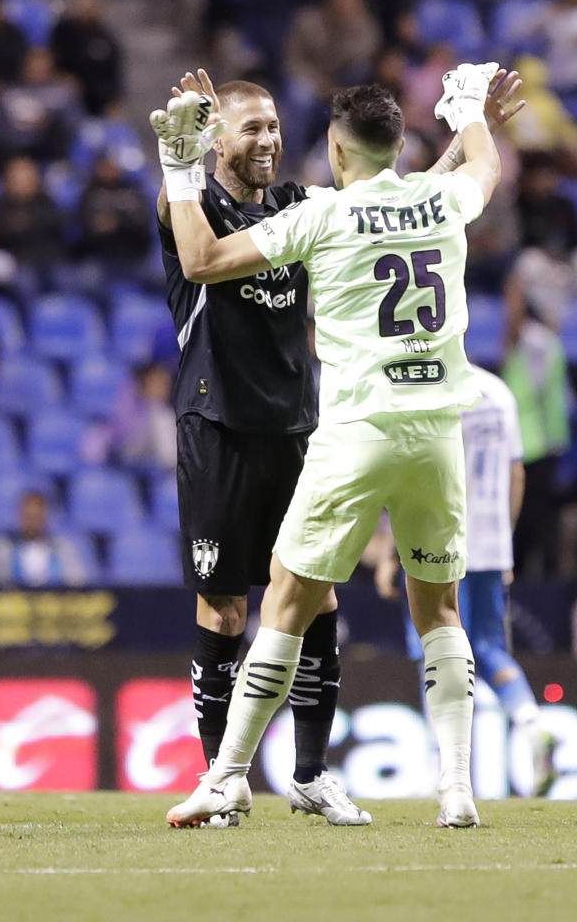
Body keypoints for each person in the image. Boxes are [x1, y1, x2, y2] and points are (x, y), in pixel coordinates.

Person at [159, 61, 522, 830]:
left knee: (288, 599)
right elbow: (479, 169)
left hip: (352, 426)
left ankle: (230, 777)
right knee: (440, 613)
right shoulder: (436, 200)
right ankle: (456, 788)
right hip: (434, 430)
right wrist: (470, 116)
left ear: (333, 148)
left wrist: (175, 160)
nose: (270, 139)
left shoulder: (319, 213)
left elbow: (204, 260)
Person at [149, 78, 365, 827]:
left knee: (317, 597)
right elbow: (184, 231)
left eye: (273, 126)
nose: (268, 140)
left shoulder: (300, 207)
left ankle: (311, 774)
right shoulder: (193, 208)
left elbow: (366, 203)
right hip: (218, 428)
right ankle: (219, 780)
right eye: (250, 129)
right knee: (226, 606)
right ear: (215, 142)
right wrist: (178, 164)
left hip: (297, 431)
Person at [379, 362, 554, 794]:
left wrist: (388, 551)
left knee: (433, 649)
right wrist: (504, 542)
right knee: (489, 646)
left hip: (437, 540)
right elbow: (517, 472)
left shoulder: (425, 387)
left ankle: (444, 765)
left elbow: (407, 476)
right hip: (491, 541)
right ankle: (532, 724)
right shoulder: (498, 392)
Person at [0, 490, 87, 587]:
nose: (32, 523)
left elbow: (77, 583)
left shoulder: (63, 548)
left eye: (36, 517)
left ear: (46, 516)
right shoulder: (4, 548)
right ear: (19, 516)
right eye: (28, 516)